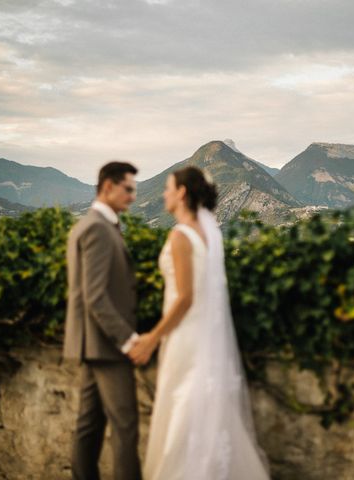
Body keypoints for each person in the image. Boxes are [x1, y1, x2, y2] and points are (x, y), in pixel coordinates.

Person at [129, 166, 270, 480]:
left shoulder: (180, 236)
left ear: (181, 193)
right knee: (202, 414)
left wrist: (152, 338)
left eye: (167, 188)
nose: (164, 194)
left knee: (183, 414)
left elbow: (185, 298)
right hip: (203, 336)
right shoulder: (210, 233)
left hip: (185, 338)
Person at [63, 161, 142, 480]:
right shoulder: (97, 228)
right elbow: (94, 296)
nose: (133, 197)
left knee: (89, 426)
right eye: (128, 189)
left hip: (93, 342)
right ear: (108, 186)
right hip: (106, 344)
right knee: (125, 427)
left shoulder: (94, 224)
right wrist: (128, 339)